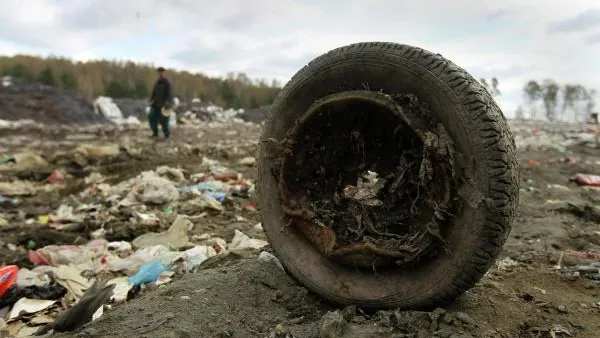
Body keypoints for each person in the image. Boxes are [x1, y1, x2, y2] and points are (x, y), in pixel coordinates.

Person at [148, 67, 173, 139]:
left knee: (164, 121)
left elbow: (170, 93)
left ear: (164, 73)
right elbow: (154, 92)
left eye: (162, 72)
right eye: (159, 72)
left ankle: (167, 135)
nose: (160, 73)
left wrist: (168, 102)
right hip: (156, 104)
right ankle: (155, 133)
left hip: (164, 105)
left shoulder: (167, 82)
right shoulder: (157, 82)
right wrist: (151, 100)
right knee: (151, 117)